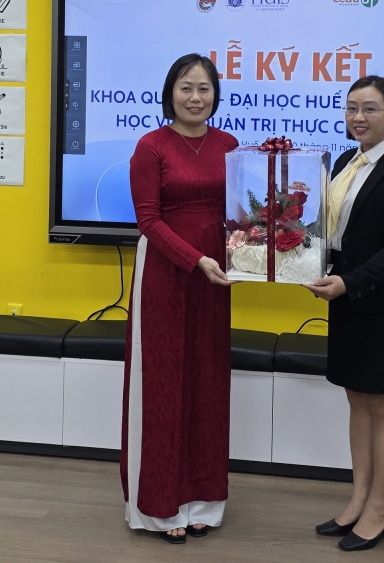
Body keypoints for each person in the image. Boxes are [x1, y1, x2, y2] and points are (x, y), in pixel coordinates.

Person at [304, 74, 384, 552]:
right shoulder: (343, 162)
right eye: (352, 107)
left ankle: (382, 506)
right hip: (347, 300)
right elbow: (333, 232)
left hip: (382, 304)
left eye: (370, 108)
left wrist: (348, 283)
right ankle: (359, 498)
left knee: (383, 403)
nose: (358, 117)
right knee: (356, 399)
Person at [122, 53, 238, 543]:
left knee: (208, 383)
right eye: (186, 88)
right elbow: (148, 220)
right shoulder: (151, 146)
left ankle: (203, 502)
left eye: (204, 88)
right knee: (164, 386)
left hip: (216, 277)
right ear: (171, 93)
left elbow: (240, 213)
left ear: (216, 95)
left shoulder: (229, 145)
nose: (195, 97)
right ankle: (161, 506)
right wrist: (195, 259)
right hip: (167, 273)